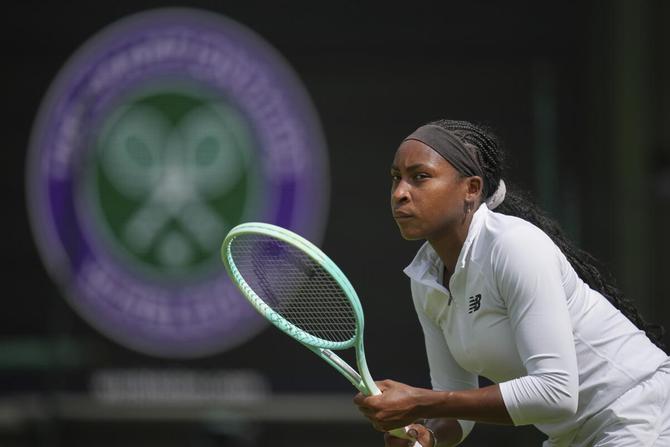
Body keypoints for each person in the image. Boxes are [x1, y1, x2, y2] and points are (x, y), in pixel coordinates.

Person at [353, 119, 670, 447]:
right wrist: (428, 436)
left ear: (471, 189)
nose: (400, 193)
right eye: (396, 178)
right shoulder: (425, 279)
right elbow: (457, 405)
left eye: (420, 177)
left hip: (641, 412)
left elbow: (555, 391)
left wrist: (420, 401)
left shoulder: (514, 246)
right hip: (572, 435)